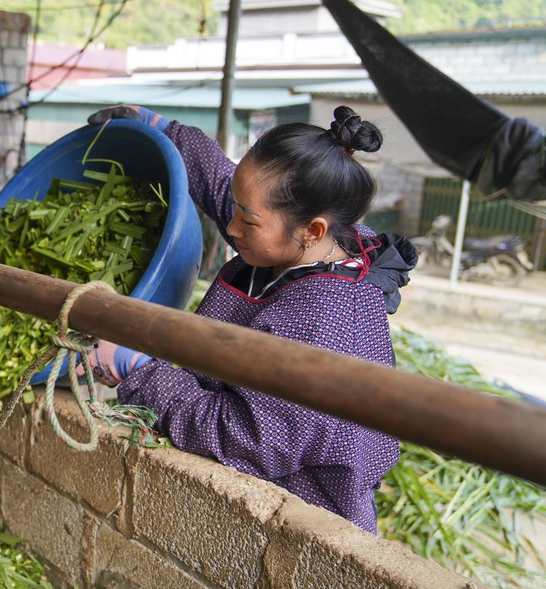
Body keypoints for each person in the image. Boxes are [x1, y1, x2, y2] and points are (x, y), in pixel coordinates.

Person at [86, 105, 418, 534]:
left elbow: (243, 438)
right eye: (237, 210)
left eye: (248, 219)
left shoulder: (322, 319)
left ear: (313, 230)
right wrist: (166, 130)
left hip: (298, 518)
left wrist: (140, 370)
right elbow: (228, 188)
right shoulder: (303, 240)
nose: (232, 226)